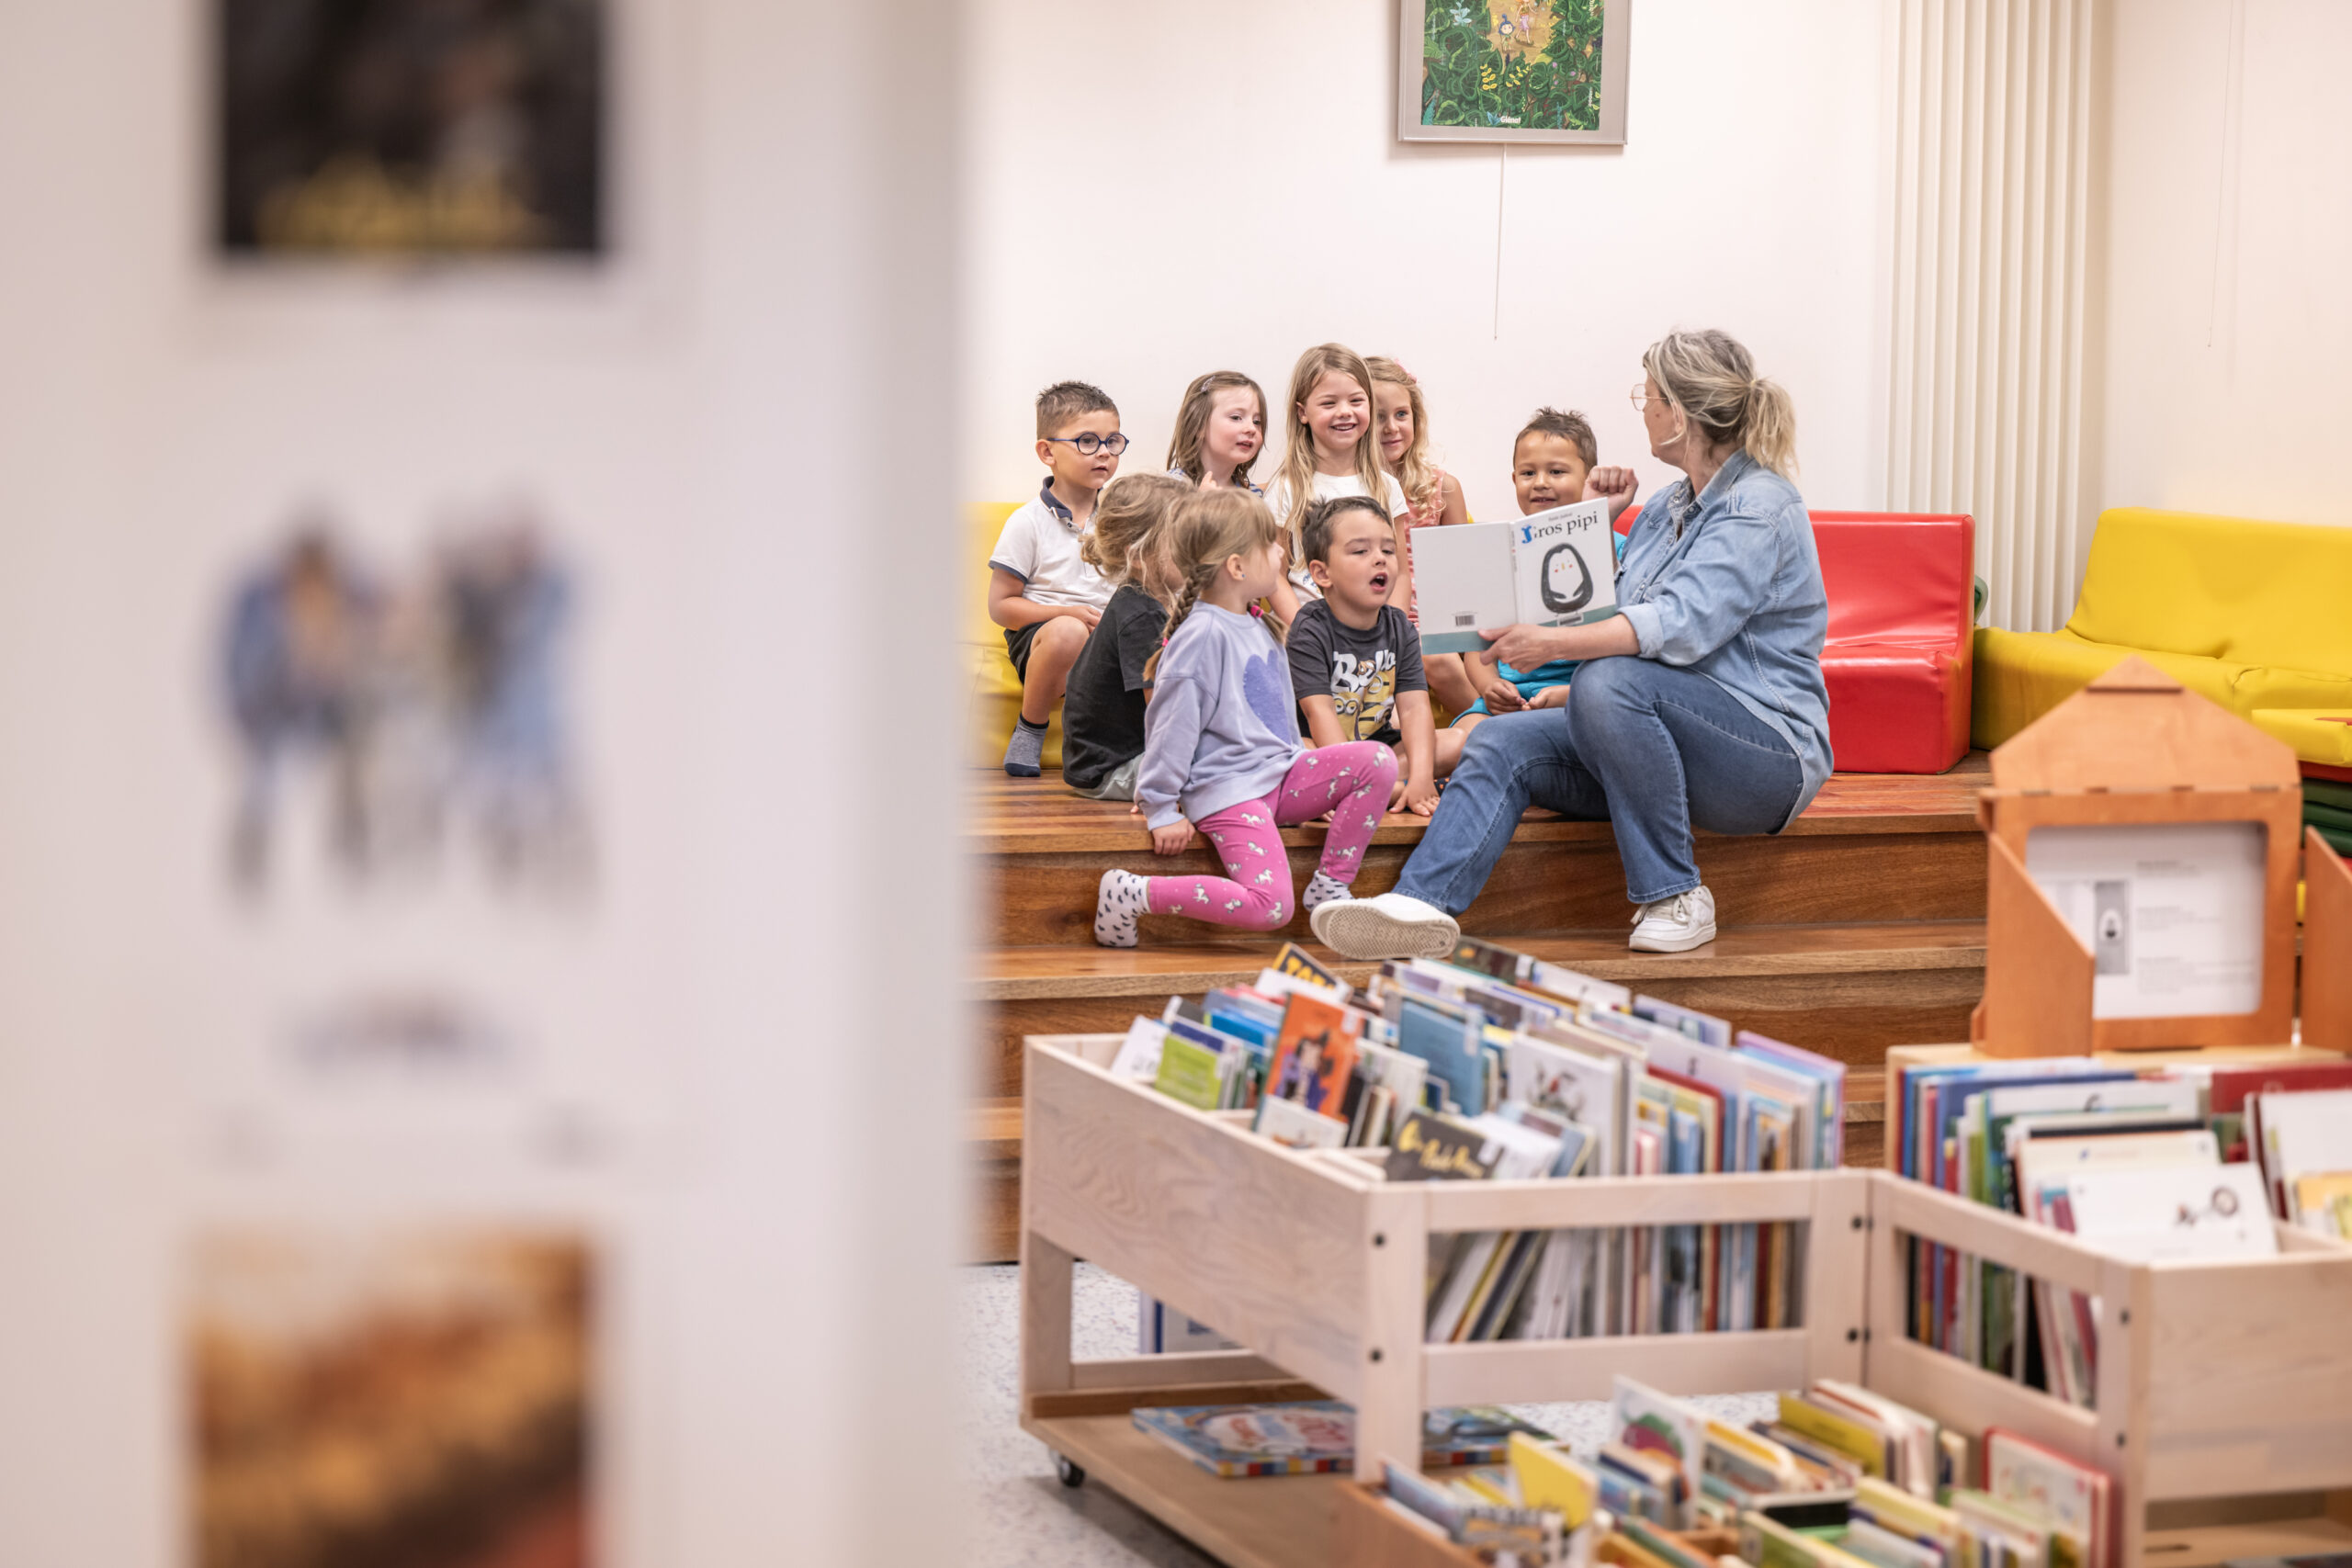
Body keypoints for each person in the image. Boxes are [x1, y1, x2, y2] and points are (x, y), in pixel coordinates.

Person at [1311, 328, 1831, 958]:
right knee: (1501, 738)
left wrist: (1555, 654)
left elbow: (1677, 625)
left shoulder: (1758, 506)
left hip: (1762, 758)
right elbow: (1599, 601)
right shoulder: (1669, 504)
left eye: (1650, 394)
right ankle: (1422, 904)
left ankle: (1675, 895)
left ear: (1682, 411)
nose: (1644, 407)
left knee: (1608, 681)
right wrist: (1597, 517)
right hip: (1668, 743)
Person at [1092, 490, 1397, 948]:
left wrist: (1308, 775)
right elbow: (1170, 728)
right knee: (1271, 906)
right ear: (1237, 567)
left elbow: (1274, 718)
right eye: (1269, 545)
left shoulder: (1257, 621)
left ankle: (1330, 886)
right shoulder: (1202, 636)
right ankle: (1132, 893)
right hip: (1228, 791)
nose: (1280, 552)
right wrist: (1159, 807)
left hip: (1277, 774)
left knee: (1377, 761)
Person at [1442, 407, 1623, 771]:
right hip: (1505, 701)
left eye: (1556, 471)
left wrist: (1572, 695)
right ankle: (1356, 775)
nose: (1540, 481)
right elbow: (1479, 648)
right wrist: (1490, 688)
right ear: (1514, 479)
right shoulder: (1498, 555)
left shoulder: (1614, 548)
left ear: (1589, 478)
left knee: (1513, 751)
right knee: (1453, 743)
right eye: (1528, 473)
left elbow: (1627, 643)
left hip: (1579, 698)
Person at [987, 380, 1126, 776]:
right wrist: (1066, 612)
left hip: (1106, 638)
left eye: (1112, 441)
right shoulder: (1027, 522)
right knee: (1068, 631)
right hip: (1045, 637)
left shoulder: (1122, 520)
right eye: (1086, 441)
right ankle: (1031, 727)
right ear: (1047, 452)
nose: (1103, 452)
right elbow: (1001, 607)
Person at [1286, 496, 1442, 815]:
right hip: (1318, 745)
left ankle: (1390, 787)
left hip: (1378, 746)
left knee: (1461, 741)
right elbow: (1320, 714)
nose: (1380, 559)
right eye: (1361, 551)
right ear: (1322, 573)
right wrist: (1347, 770)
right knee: (1288, 755)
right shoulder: (1309, 628)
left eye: (1388, 550)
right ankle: (1375, 785)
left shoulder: (1400, 626)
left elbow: (1413, 710)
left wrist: (1423, 777)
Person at [1059, 474, 1190, 801]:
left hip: (1126, 759)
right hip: (1113, 768)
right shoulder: (1141, 614)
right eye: (1186, 541)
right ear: (1139, 554)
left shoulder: (1149, 602)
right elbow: (1164, 712)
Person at [1260, 344, 1410, 618]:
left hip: (1374, 638)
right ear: (1302, 412)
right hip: (1309, 635)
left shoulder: (1386, 486)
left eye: (1355, 401)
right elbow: (1275, 577)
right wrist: (1303, 632)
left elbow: (1399, 573)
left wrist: (1392, 631)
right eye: (1329, 403)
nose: (1344, 411)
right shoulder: (1286, 488)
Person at [1363, 356, 1477, 715]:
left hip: (1433, 618)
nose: (1391, 427)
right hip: (1369, 613)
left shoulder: (1443, 488)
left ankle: (1491, 725)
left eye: (1401, 414)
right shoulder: (1348, 488)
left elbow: (1466, 575)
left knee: (1438, 661)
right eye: (1378, 416)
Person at [1166, 371, 1267, 492]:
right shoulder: (1169, 488)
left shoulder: (1254, 496)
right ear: (1199, 425)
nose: (1251, 428)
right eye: (1236, 417)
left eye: (1257, 422)